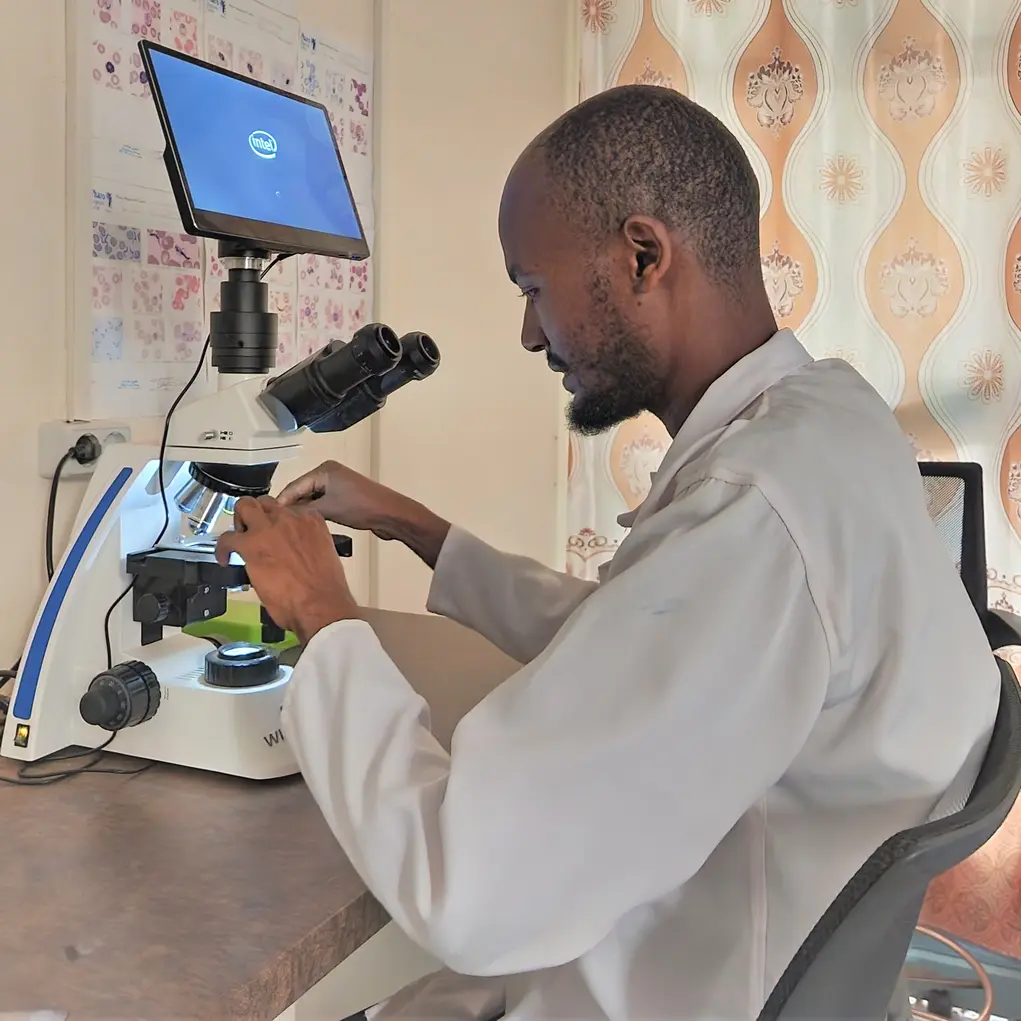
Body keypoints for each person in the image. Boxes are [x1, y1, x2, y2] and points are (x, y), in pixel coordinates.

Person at [216, 85, 999, 1020]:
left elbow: (468, 890)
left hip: (662, 981)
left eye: (531, 289)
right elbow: (644, 635)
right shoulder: (826, 419)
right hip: (713, 935)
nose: (528, 334)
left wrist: (324, 616)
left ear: (642, 255)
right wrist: (418, 528)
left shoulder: (750, 514)